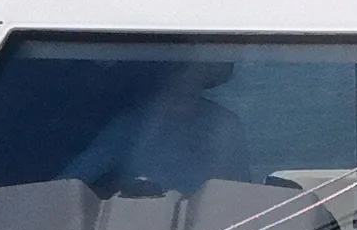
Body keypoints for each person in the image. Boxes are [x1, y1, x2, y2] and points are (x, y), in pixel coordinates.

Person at [68, 60, 253, 196]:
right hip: (135, 226)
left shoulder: (225, 124)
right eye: (178, 70)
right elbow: (72, 181)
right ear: (163, 79)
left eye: (194, 73)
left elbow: (241, 192)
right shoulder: (131, 125)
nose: (186, 79)